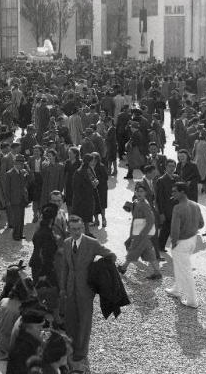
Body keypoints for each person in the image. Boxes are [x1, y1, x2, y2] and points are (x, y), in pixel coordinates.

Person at [60, 215, 116, 362]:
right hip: (70, 288)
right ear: (68, 229)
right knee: (70, 320)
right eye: (73, 229)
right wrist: (63, 288)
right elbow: (65, 268)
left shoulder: (92, 243)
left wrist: (99, 269)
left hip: (86, 290)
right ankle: (70, 347)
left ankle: (82, 351)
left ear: (83, 228)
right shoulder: (66, 243)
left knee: (84, 321)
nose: (76, 232)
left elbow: (111, 255)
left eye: (79, 229)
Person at [165, 182, 204, 308]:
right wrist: (191, 227)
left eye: (175, 191)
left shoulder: (178, 208)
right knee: (180, 266)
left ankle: (192, 301)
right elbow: (202, 224)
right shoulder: (195, 205)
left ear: (182, 192)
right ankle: (176, 289)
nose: (172, 193)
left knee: (185, 271)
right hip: (192, 240)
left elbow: (174, 230)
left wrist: (174, 242)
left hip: (181, 242)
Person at [117, 184, 162, 280]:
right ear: (135, 192)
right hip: (139, 233)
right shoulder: (137, 202)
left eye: (142, 191)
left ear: (145, 193)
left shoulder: (144, 204)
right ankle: (157, 272)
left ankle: (123, 268)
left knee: (133, 250)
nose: (139, 193)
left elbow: (150, 220)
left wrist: (142, 234)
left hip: (141, 234)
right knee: (148, 253)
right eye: (137, 191)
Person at [5, 309, 45, 374]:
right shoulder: (25, 348)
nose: (42, 331)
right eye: (40, 328)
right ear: (29, 328)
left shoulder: (25, 338)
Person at [4, 154, 30, 241]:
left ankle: (20, 233)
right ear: (15, 163)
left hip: (22, 199)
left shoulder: (23, 172)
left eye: (23, 164)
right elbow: (6, 189)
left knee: (22, 218)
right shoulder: (9, 174)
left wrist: (28, 172)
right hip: (14, 200)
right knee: (16, 219)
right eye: (20, 163)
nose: (22, 165)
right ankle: (16, 235)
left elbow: (28, 183)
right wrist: (7, 201)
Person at [156, 159, 179, 253]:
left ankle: (161, 246)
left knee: (172, 228)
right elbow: (159, 198)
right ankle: (160, 246)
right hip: (166, 209)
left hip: (176, 208)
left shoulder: (177, 178)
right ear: (165, 167)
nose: (171, 168)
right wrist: (161, 212)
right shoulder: (161, 180)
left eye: (173, 166)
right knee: (166, 229)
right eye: (169, 166)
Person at [71, 154, 97, 236]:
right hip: (82, 197)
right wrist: (91, 184)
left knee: (86, 215)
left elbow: (93, 178)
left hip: (88, 196)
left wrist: (95, 182)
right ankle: (77, 233)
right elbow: (76, 186)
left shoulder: (89, 169)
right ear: (89, 161)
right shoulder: (80, 172)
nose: (94, 162)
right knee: (80, 215)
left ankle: (87, 232)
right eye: (92, 160)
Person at [91, 152, 108, 228]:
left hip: (101, 189)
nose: (92, 159)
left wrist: (97, 181)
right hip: (93, 188)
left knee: (102, 205)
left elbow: (106, 177)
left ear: (97, 158)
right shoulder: (90, 166)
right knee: (94, 204)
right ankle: (96, 220)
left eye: (94, 157)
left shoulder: (101, 166)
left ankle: (104, 219)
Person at [64, 147, 81, 212]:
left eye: (70, 153)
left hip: (77, 185)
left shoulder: (80, 162)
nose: (69, 155)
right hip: (68, 185)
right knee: (68, 202)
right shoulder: (67, 162)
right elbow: (65, 173)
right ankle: (70, 217)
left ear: (75, 154)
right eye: (68, 153)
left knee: (76, 202)